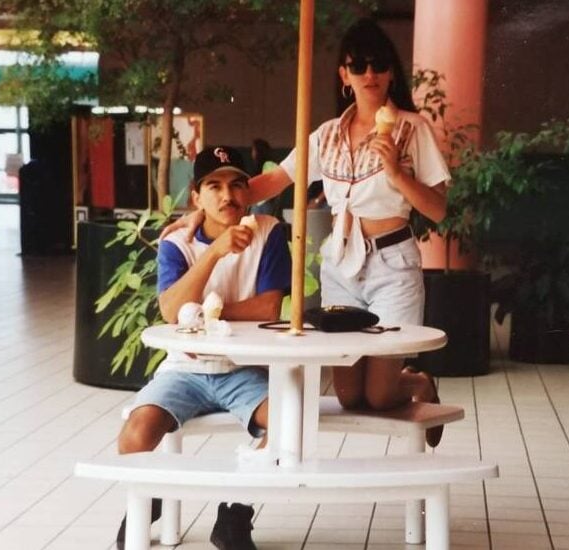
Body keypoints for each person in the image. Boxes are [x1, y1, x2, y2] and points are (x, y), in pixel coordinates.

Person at [162, 18, 449, 446]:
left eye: (379, 64)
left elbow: (438, 209)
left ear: (391, 72)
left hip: (391, 262)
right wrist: (203, 212)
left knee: (379, 395)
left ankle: (416, 382)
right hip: (340, 266)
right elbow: (271, 182)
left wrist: (395, 172)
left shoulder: (412, 129)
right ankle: (404, 381)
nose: (369, 74)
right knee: (349, 396)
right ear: (344, 75)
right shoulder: (326, 136)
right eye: (359, 65)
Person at [115, 146, 291, 550]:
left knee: (288, 425)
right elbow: (171, 310)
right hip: (184, 369)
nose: (227, 195)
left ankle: (234, 512)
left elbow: (267, 308)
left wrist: (203, 312)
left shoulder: (268, 232)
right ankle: (147, 500)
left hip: (244, 368)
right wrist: (214, 251)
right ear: (197, 196)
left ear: (249, 192)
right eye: (214, 186)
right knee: (135, 435)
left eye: (237, 184)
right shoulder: (177, 242)